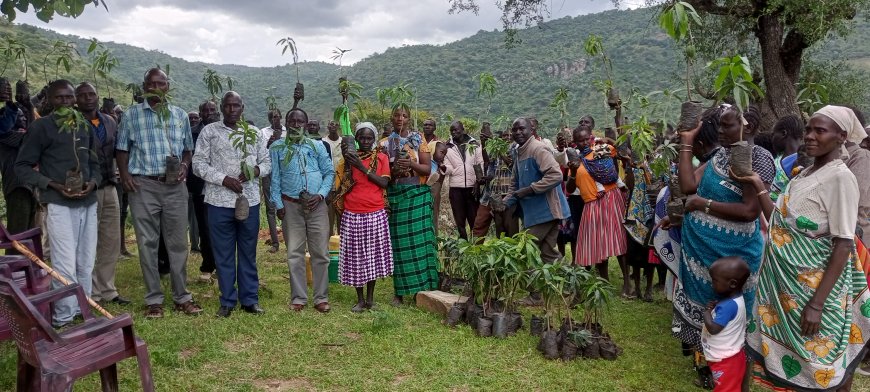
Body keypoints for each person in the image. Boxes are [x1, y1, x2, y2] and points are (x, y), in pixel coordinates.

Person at [742, 107, 870, 392]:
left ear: (841, 137)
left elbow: (843, 243)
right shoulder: (805, 174)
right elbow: (781, 220)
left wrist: (816, 304)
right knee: (803, 365)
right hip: (789, 291)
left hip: (813, 292)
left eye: (820, 131)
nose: (810, 137)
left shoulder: (840, 179)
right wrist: (756, 185)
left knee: (818, 364)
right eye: (808, 129)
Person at [675, 104, 773, 387]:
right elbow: (687, 184)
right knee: (712, 313)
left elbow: (749, 211)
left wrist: (702, 205)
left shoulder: (759, 158)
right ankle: (714, 368)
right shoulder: (720, 155)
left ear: (749, 127)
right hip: (703, 253)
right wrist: (687, 140)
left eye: (727, 125)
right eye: (719, 125)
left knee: (736, 321)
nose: (720, 131)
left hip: (735, 255)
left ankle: (739, 378)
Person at [116, 68, 202, 318]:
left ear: (168, 86)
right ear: (144, 86)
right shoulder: (132, 116)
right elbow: (122, 150)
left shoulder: (179, 115)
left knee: (177, 243)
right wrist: (125, 176)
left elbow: (188, 149)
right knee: (147, 243)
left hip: (175, 187)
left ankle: (181, 296)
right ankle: (154, 299)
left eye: (161, 83)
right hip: (144, 186)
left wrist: (185, 165)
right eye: (151, 83)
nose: (156, 87)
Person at [14, 79, 101, 327]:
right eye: (59, 98)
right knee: (64, 262)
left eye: (68, 97)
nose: (65, 102)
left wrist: (92, 183)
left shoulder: (82, 124)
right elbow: (22, 166)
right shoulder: (42, 127)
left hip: (88, 201)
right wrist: (52, 184)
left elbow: (96, 164)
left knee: (86, 260)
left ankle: (83, 310)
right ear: (49, 100)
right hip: (59, 204)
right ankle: (63, 316)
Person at [193, 91, 270, 317]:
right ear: (222, 108)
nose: (232, 110)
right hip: (218, 201)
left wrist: (255, 170)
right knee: (223, 253)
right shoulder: (210, 132)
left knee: (248, 251)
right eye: (228, 106)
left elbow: (267, 163)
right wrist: (223, 179)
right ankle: (227, 300)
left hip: (250, 201)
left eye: (236, 106)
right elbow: (198, 164)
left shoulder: (254, 133)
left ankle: (249, 299)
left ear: (242, 108)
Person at [270, 107, 335, 313]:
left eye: (300, 122)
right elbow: (275, 178)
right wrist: (279, 206)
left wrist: (321, 195)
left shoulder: (316, 146)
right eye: (292, 121)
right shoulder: (278, 147)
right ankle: (298, 297)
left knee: (320, 253)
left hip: (317, 205)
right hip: (291, 205)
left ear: (306, 125)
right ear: (286, 124)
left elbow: (329, 173)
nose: (296, 125)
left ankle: (321, 298)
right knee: (294, 253)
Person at [74, 82, 130, 306]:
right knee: (88, 242)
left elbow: (117, 150)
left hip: (110, 186)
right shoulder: (72, 123)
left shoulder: (109, 120)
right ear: (76, 99)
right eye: (83, 95)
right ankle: (89, 293)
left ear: (98, 97)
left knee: (111, 240)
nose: (88, 98)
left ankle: (107, 289)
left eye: (92, 94)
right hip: (87, 189)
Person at [379, 104, 438, 306]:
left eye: (404, 115)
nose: (400, 119)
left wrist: (410, 164)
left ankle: (422, 287)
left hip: (416, 197)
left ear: (409, 118)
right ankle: (399, 292)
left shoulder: (418, 140)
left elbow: (426, 170)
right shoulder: (384, 144)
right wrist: (395, 170)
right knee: (399, 245)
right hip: (396, 195)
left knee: (420, 244)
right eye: (396, 115)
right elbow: (382, 174)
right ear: (391, 118)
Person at [332, 122, 393, 312]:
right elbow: (339, 188)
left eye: (369, 138)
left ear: (374, 139)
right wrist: (352, 164)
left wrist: (362, 167)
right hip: (352, 214)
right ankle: (359, 299)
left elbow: (384, 182)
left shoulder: (381, 158)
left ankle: (370, 299)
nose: (366, 141)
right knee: (356, 258)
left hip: (375, 213)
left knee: (372, 258)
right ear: (356, 139)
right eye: (362, 138)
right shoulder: (347, 161)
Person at [569, 126, 631, 294]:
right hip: (590, 204)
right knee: (598, 244)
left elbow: (620, 150)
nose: (583, 143)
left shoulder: (600, 150)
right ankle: (604, 283)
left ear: (591, 137)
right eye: (579, 141)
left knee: (618, 239)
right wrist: (573, 171)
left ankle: (627, 283)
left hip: (610, 197)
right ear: (574, 142)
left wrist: (609, 140)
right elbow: (569, 188)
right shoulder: (576, 160)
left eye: (586, 139)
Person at [502, 117, 569, 265]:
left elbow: (556, 175)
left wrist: (530, 190)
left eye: (522, 129)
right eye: (515, 130)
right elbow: (514, 184)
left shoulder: (538, 149)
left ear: (531, 131)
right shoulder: (519, 151)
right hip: (536, 213)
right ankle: (567, 284)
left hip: (547, 211)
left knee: (525, 249)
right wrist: (505, 203)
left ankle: (529, 287)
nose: (518, 132)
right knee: (548, 254)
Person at [701, 256, 750, 392]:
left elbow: (714, 329)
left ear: (732, 284)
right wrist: (717, 308)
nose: (712, 284)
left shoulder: (728, 306)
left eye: (715, 281)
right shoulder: (735, 301)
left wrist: (706, 314)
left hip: (725, 360)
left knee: (726, 389)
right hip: (732, 356)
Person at [0, 77, 37, 237]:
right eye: (18, 116)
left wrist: (28, 105)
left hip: (29, 184)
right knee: (18, 233)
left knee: (28, 232)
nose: (22, 119)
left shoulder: (22, 133)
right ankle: (15, 260)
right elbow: (33, 138)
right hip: (17, 185)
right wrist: (10, 105)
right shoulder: (6, 135)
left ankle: (26, 262)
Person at [188, 100, 219, 281]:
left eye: (212, 109)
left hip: (223, 188)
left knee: (222, 228)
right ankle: (208, 265)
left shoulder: (226, 132)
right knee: (205, 228)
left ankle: (222, 265)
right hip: (201, 188)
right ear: (200, 113)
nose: (208, 113)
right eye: (205, 110)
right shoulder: (193, 133)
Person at [472, 130, 519, 238]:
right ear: (500, 137)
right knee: (479, 223)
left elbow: (511, 164)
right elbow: (489, 165)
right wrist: (484, 144)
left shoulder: (515, 149)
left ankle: (508, 252)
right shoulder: (495, 150)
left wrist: (499, 149)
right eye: (505, 135)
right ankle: (474, 252)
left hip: (506, 194)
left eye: (510, 135)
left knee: (507, 228)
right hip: (491, 193)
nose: (508, 137)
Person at [444, 121, 484, 239]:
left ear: (463, 130)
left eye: (456, 130)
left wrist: (478, 182)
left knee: (474, 220)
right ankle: (463, 245)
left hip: (472, 188)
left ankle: (475, 247)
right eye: (452, 130)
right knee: (459, 220)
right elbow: (449, 168)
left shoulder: (475, 144)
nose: (454, 132)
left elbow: (480, 163)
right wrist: (444, 168)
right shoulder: (448, 147)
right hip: (456, 189)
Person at [260, 109, 284, 253]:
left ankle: (290, 239)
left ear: (280, 117)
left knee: (288, 205)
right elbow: (260, 153)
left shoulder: (289, 131)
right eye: (271, 117)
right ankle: (275, 243)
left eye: (276, 116)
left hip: (285, 172)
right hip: (268, 171)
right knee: (270, 207)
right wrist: (269, 144)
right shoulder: (263, 133)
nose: (274, 119)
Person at [768, 114, 804, 202]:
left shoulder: (799, 162)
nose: (771, 139)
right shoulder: (780, 156)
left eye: (773, 135)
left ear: (784, 133)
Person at [324, 120, 343, 236]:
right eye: (331, 124)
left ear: (339, 127)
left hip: (341, 187)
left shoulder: (343, 142)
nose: (333, 126)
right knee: (328, 219)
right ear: (327, 126)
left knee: (341, 218)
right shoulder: (323, 143)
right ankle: (329, 248)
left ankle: (342, 247)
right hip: (328, 188)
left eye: (335, 124)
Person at [427, 141, 449, 234]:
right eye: (441, 152)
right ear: (432, 150)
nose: (443, 156)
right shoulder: (428, 163)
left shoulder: (437, 164)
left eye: (445, 154)